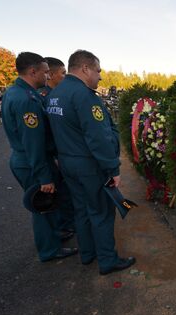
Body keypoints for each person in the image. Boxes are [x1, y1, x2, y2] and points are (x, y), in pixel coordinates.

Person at [47, 49, 136, 275]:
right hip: (89, 166)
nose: (100, 76)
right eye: (97, 70)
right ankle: (107, 260)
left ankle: (87, 254)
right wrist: (112, 168)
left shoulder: (56, 94)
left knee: (82, 210)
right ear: (85, 69)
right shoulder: (84, 96)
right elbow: (98, 137)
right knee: (102, 212)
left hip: (67, 162)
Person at [0, 52, 78, 262]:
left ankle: (54, 236)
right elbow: (33, 143)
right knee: (43, 206)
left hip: (25, 159)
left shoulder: (15, 92)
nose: (47, 76)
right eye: (44, 72)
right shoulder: (27, 101)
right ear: (32, 71)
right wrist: (44, 177)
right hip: (32, 162)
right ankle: (49, 249)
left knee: (48, 205)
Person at [37, 57, 75, 238]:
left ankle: (67, 223)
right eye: (63, 73)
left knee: (65, 191)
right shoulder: (45, 97)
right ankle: (66, 225)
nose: (65, 77)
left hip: (61, 152)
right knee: (61, 193)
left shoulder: (56, 95)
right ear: (51, 75)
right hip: (56, 154)